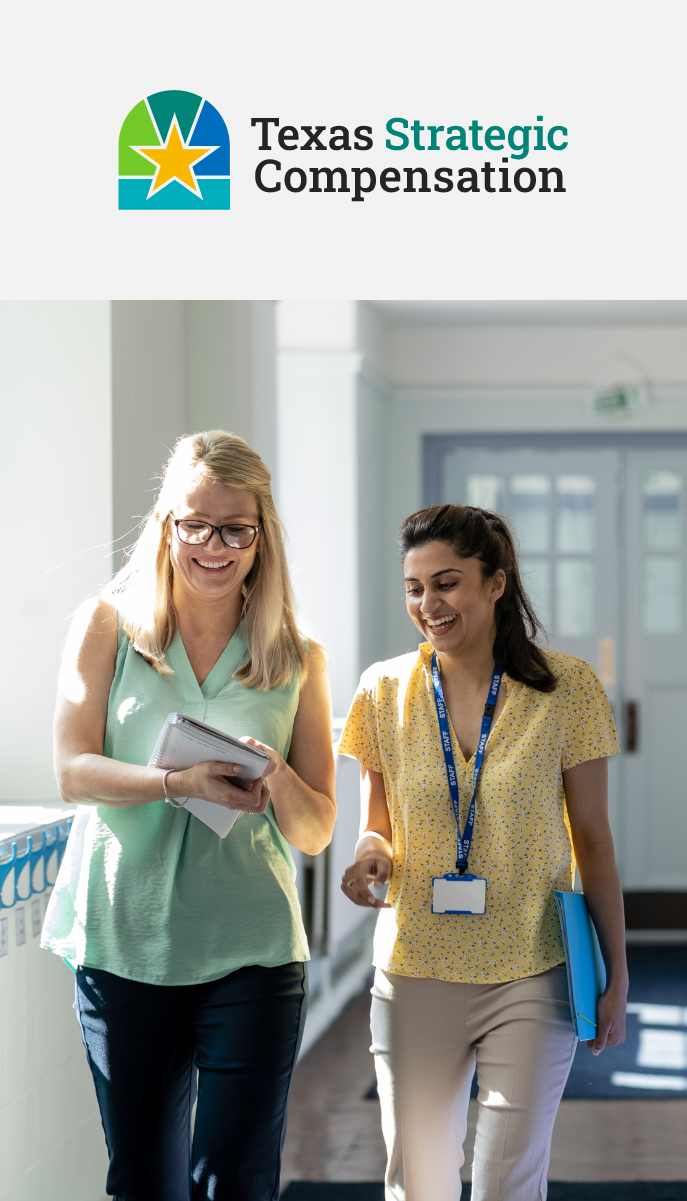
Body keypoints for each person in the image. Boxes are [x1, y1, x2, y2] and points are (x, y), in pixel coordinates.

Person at [42, 430, 336, 1201]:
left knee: (234, 1182)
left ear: (261, 536)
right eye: (195, 524)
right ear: (166, 524)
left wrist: (276, 776)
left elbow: (315, 829)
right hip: (123, 940)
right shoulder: (107, 625)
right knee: (144, 1183)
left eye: (235, 529)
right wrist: (176, 782)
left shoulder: (296, 655)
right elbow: (72, 771)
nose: (213, 546)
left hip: (251, 945)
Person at [338, 504, 627, 1201]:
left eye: (446, 583)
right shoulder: (383, 689)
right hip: (414, 968)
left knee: (507, 1184)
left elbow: (592, 837)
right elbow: (375, 823)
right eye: (414, 588)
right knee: (419, 1183)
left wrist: (616, 971)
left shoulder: (567, 689)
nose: (428, 605)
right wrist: (371, 852)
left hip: (531, 969)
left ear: (495, 583)